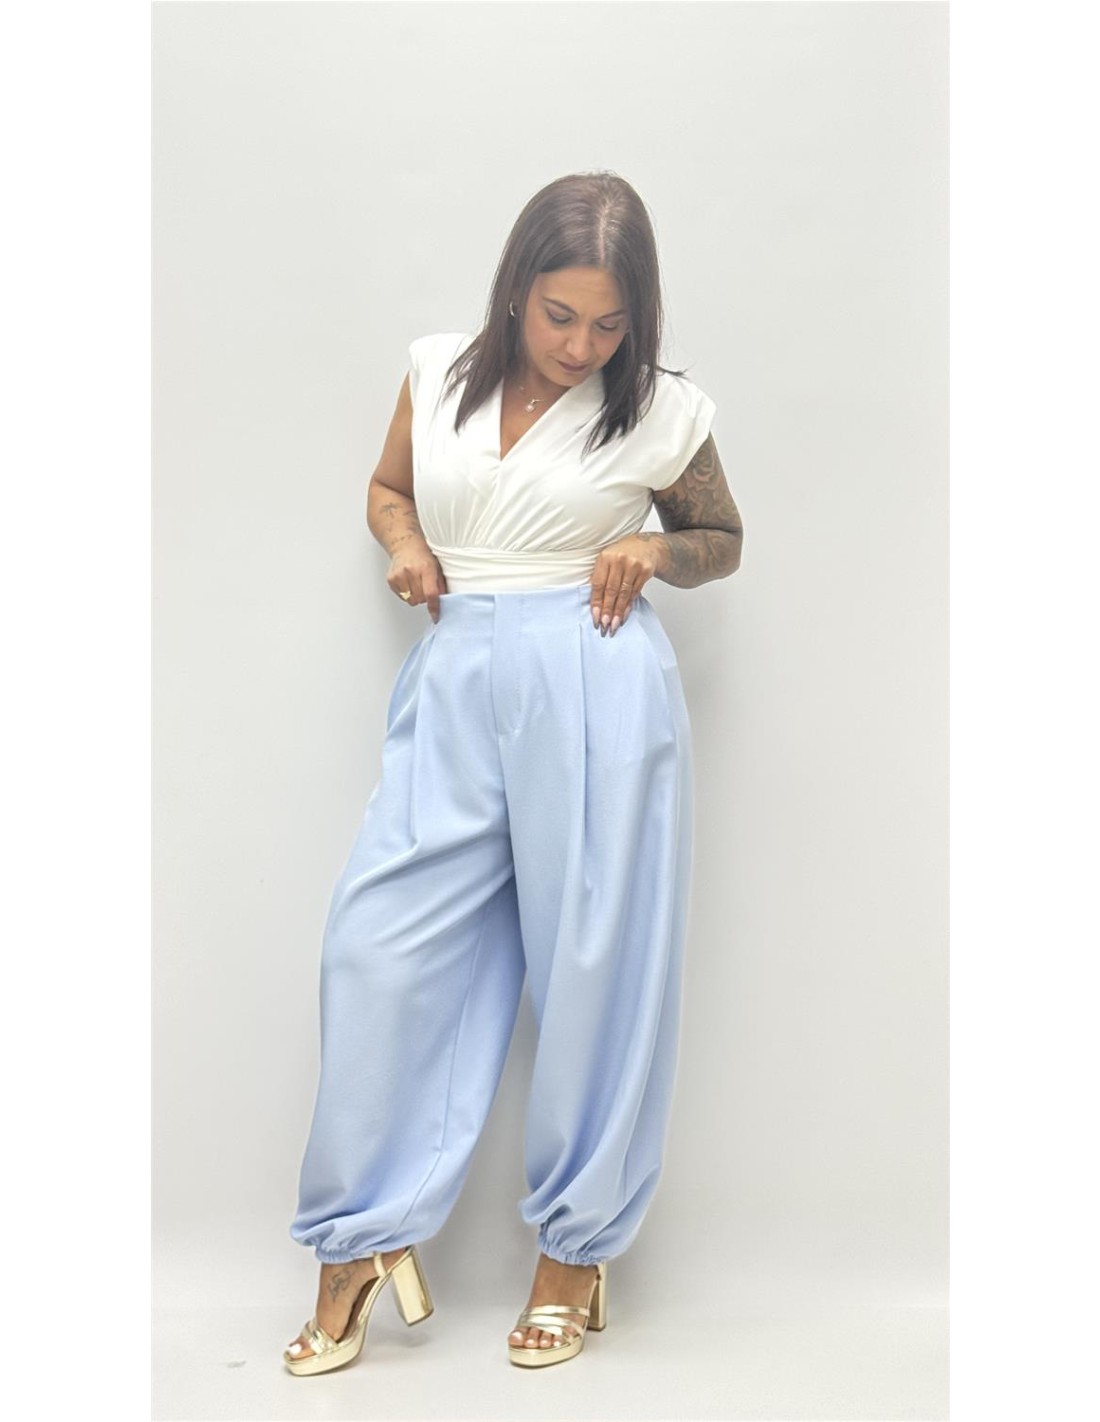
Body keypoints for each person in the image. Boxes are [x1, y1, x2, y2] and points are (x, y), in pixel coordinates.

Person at [283, 170, 744, 1375]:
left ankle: (572, 1255)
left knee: (592, 962)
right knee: (376, 945)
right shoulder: (436, 372)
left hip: (594, 674)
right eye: (559, 317)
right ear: (513, 292)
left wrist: (651, 547)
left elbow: (720, 538)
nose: (581, 346)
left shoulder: (660, 410)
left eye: (609, 324)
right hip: (453, 679)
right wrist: (405, 549)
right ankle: (359, 1237)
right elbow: (388, 490)